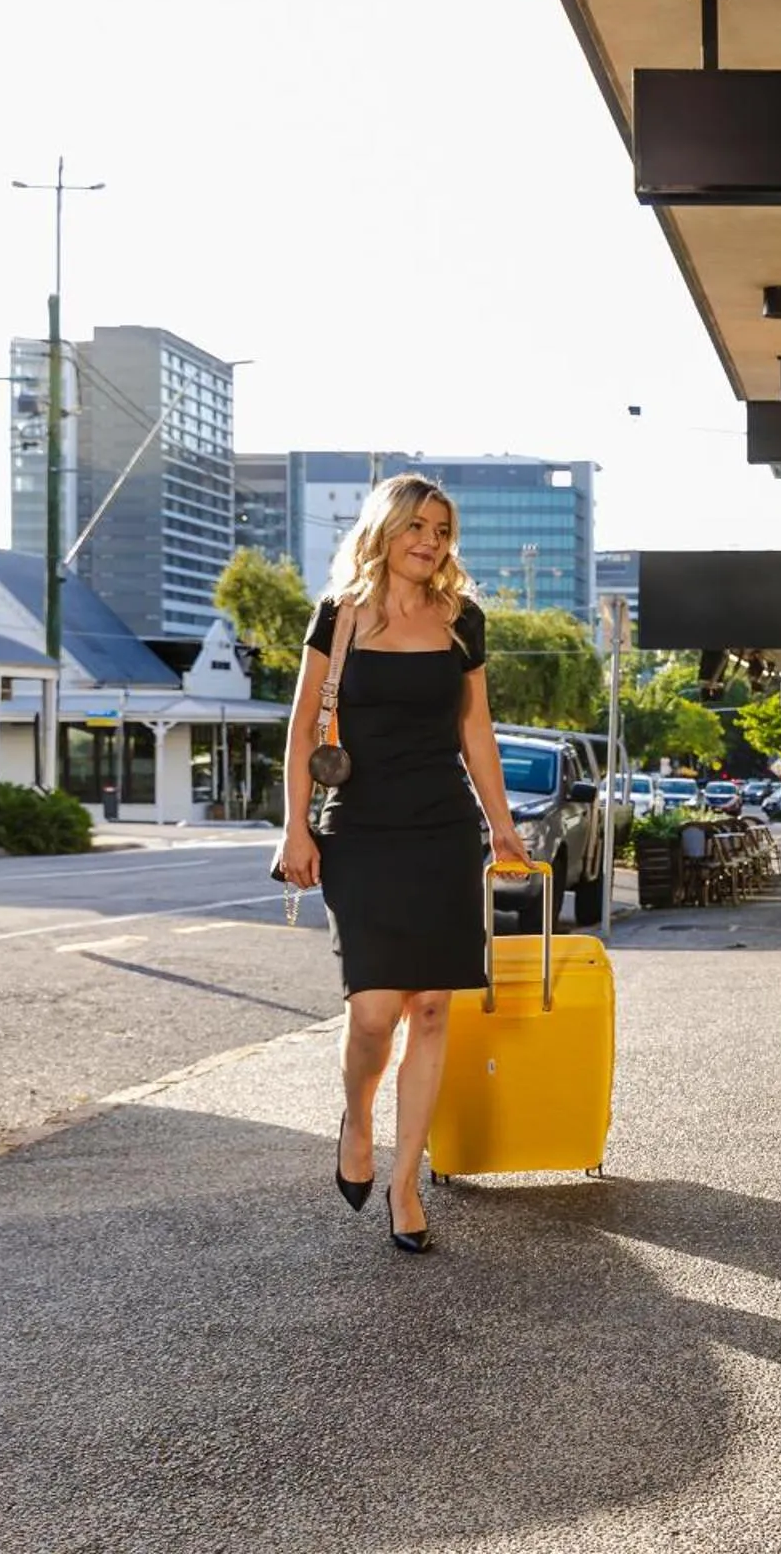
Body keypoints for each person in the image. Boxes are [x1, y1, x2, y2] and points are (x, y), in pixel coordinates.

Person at [272, 473, 528, 1256]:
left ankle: (406, 1182)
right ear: (384, 530)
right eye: (417, 526)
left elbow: (476, 731)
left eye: (442, 530)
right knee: (375, 1012)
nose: (430, 541)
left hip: (442, 829)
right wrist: (294, 829)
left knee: (433, 1008)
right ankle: (358, 1120)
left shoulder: (461, 620)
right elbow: (301, 730)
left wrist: (502, 827)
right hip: (361, 828)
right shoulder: (340, 615)